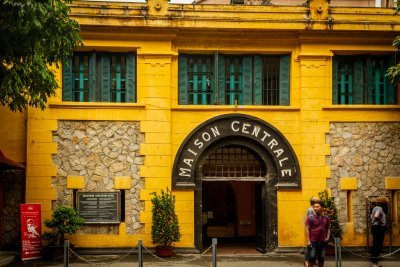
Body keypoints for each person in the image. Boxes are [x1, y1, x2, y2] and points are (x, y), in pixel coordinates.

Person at [305, 200, 330, 267]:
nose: (315, 208)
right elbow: (307, 229)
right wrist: (308, 241)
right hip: (313, 241)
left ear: (322, 208)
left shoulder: (326, 218)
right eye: (314, 207)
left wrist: (328, 237)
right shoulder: (310, 217)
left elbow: (328, 228)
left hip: (322, 241)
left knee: (321, 258)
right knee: (312, 258)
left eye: (317, 207)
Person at [370, 197, 388, 267]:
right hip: (379, 228)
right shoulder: (380, 208)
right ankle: (374, 264)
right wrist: (381, 223)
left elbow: (371, 216)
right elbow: (376, 216)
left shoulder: (374, 208)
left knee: (375, 244)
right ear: (383, 203)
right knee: (377, 245)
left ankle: (374, 263)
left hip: (375, 227)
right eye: (386, 203)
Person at [305, 196, 319, 267]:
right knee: (309, 246)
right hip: (311, 231)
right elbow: (311, 220)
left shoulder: (312, 208)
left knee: (313, 246)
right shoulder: (311, 209)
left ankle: (312, 261)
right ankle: (307, 261)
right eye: (317, 201)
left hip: (312, 231)